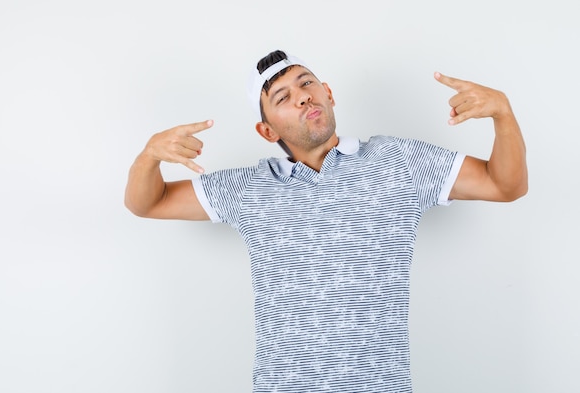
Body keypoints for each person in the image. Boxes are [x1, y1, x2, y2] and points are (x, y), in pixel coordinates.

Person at [124, 50, 528, 393]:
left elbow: (504, 184)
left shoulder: (397, 162)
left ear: (328, 94)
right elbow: (148, 203)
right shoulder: (249, 188)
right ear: (267, 130)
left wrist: (503, 116)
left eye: (307, 83)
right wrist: (149, 157)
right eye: (283, 96)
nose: (302, 97)